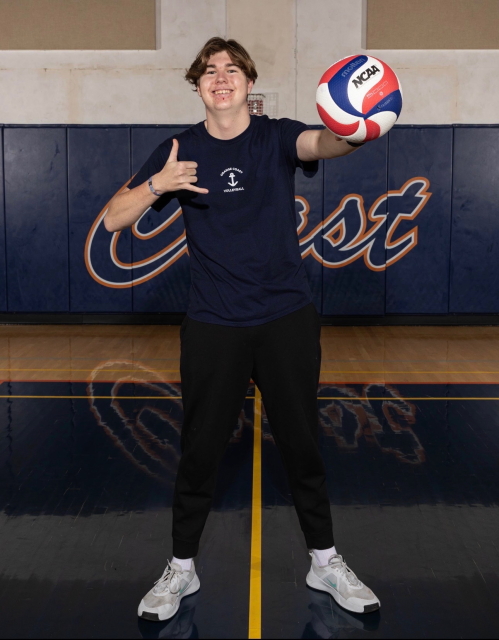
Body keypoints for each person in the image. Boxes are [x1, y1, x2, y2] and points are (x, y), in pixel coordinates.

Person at [105, 37, 380, 622]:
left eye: (232, 69)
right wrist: (159, 184)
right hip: (214, 323)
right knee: (200, 451)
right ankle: (181, 567)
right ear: (198, 85)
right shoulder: (179, 149)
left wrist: (360, 125)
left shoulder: (275, 136)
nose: (221, 77)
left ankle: (324, 561)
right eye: (209, 71)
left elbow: (324, 142)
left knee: (303, 445)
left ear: (249, 82)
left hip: (285, 318)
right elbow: (113, 219)